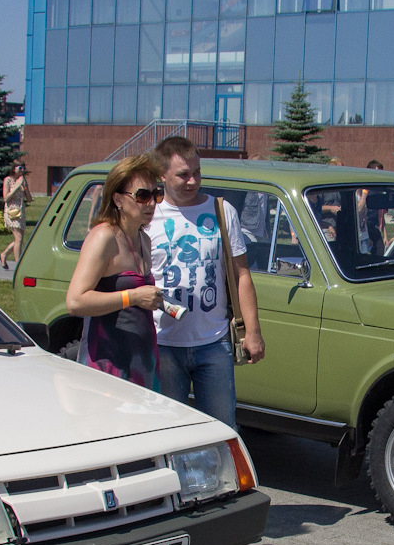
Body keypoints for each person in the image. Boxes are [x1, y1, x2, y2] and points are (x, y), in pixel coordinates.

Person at [147, 136, 265, 427]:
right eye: (183, 175)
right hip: (163, 343)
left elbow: (241, 275)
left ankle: (218, 475)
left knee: (220, 429)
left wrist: (253, 332)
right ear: (162, 176)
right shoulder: (148, 216)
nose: (192, 181)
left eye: (196, 172)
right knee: (167, 430)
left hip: (213, 344)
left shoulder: (221, 212)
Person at [65, 154, 166, 387]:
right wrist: (132, 296)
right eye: (142, 195)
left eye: (156, 194)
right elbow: (75, 301)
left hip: (142, 360)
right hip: (108, 363)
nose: (151, 203)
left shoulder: (144, 240)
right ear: (118, 200)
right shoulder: (104, 237)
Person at [0, 160, 29, 268]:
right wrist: (16, 186)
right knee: (19, 238)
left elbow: (29, 199)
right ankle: (18, 264)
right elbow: (6, 198)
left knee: (19, 239)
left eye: (23, 167)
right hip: (11, 212)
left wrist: (25, 187)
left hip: (20, 212)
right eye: (19, 168)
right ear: (14, 169)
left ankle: (4, 255)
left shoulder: (22, 180)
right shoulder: (8, 180)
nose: (22, 170)